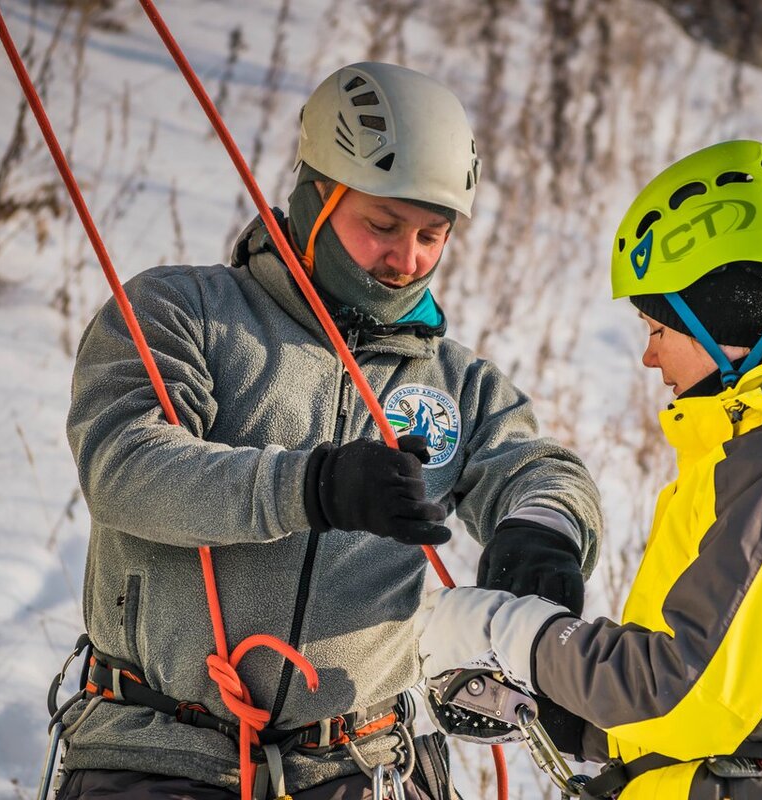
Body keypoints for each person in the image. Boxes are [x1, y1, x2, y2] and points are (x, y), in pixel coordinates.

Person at [55, 61, 603, 800]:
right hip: (158, 753)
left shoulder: (456, 383)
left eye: (431, 234)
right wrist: (310, 488)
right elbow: (125, 468)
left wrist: (543, 528)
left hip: (364, 765)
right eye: (381, 225)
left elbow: (539, 469)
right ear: (315, 198)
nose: (406, 258)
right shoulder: (181, 311)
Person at [417, 140, 762, 799]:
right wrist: (555, 707)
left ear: (725, 325)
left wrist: (510, 633)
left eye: (658, 329)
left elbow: (684, 688)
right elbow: (726, 691)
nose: (649, 358)